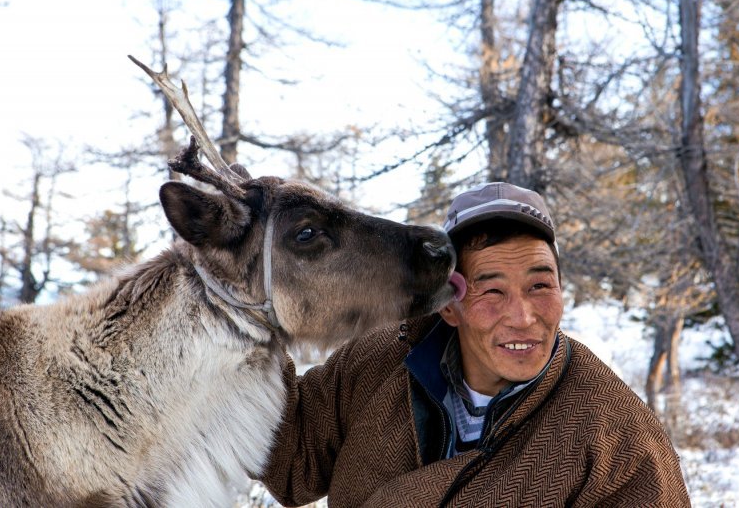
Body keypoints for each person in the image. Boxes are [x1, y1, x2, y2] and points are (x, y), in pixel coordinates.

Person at [260, 182, 690, 507]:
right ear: (450, 305)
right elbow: (291, 457)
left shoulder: (617, 434)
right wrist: (247, 316)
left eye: (540, 285)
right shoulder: (381, 359)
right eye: (492, 291)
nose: (523, 317)